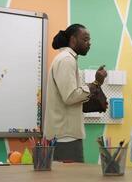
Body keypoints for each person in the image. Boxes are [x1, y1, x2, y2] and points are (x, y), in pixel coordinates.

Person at [43, 24, 107, 163]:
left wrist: (94, 87)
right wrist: (95, 84)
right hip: (66, 137)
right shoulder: (66, 60)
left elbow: (70, 96)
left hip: (64, 135)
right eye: (85, 39)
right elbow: (70, 96)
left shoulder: (66, 59)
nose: (89, 43)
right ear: (73, 40)